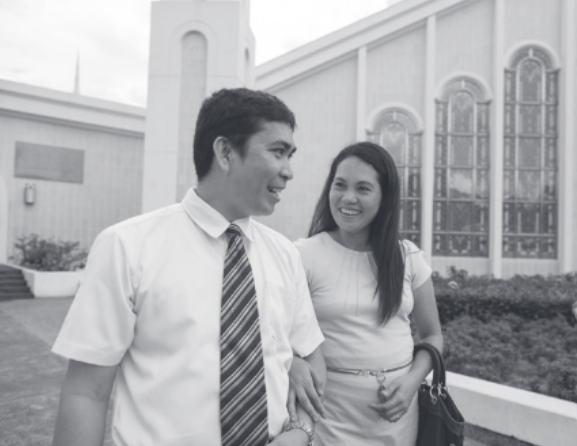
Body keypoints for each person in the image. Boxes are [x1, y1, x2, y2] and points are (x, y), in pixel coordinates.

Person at [51, 88, 325, 446]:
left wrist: (299, 433)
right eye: (277, 152)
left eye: (290, 155)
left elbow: (312, 362)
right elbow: (86, 393)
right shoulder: (128, 247)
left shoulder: (284, 255)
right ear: (225, 152)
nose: (288, 171)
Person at [291, 141, 443, 446]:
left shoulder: (408, 257)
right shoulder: (301, 255)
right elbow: (276, 335)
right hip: (327, 418)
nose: (348, 198)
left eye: (363, 188)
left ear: (385, 198)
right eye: (340, 185)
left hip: (397, 419)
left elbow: (432, 336)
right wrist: (292, 364)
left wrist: (412, 382)